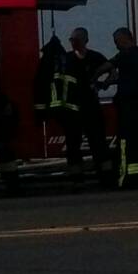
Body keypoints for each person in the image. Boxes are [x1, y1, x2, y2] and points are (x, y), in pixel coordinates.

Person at [43, 28, 115, 187]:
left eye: (76, 39)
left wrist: (104, 84)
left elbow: (112, 71)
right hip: (72, 110)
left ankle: (106, 177)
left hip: (91, 107)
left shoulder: (95, 57)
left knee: (99, 143)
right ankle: (77, 179)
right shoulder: (66, 59)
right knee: (73, 145)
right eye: (72, 39)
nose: (73, 42)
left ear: (85, 40)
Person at [107, 27, 138, 187]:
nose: (115, 45)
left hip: (128, 108)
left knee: (126, 144)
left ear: (124, 39)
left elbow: (107, 66)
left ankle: (127, 178)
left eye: (116, 41)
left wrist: (93, 77)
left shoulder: (125, 55)